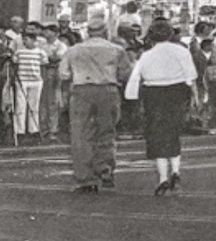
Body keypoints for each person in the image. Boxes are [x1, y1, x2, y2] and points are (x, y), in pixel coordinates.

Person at [61, 11, 132, 193]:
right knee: (107, 131)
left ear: (88, 32)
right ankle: (105, 169)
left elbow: (64, 74)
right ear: (106, 31)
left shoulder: (74, 50)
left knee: (81, 135)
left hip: (81, 90)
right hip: (108, 89)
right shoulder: (116, 50)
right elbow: (125, 73)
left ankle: (85, 178)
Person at [125, 20, 199, 196]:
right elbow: (191, 76)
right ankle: (176, 171)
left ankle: (163, 178)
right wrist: (196, 97)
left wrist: (133, 97)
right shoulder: (182, 51)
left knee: (157, 134)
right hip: (178, 92)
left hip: (154, 94)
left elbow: (136, 78)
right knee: (173, 132)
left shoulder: (146, 55)